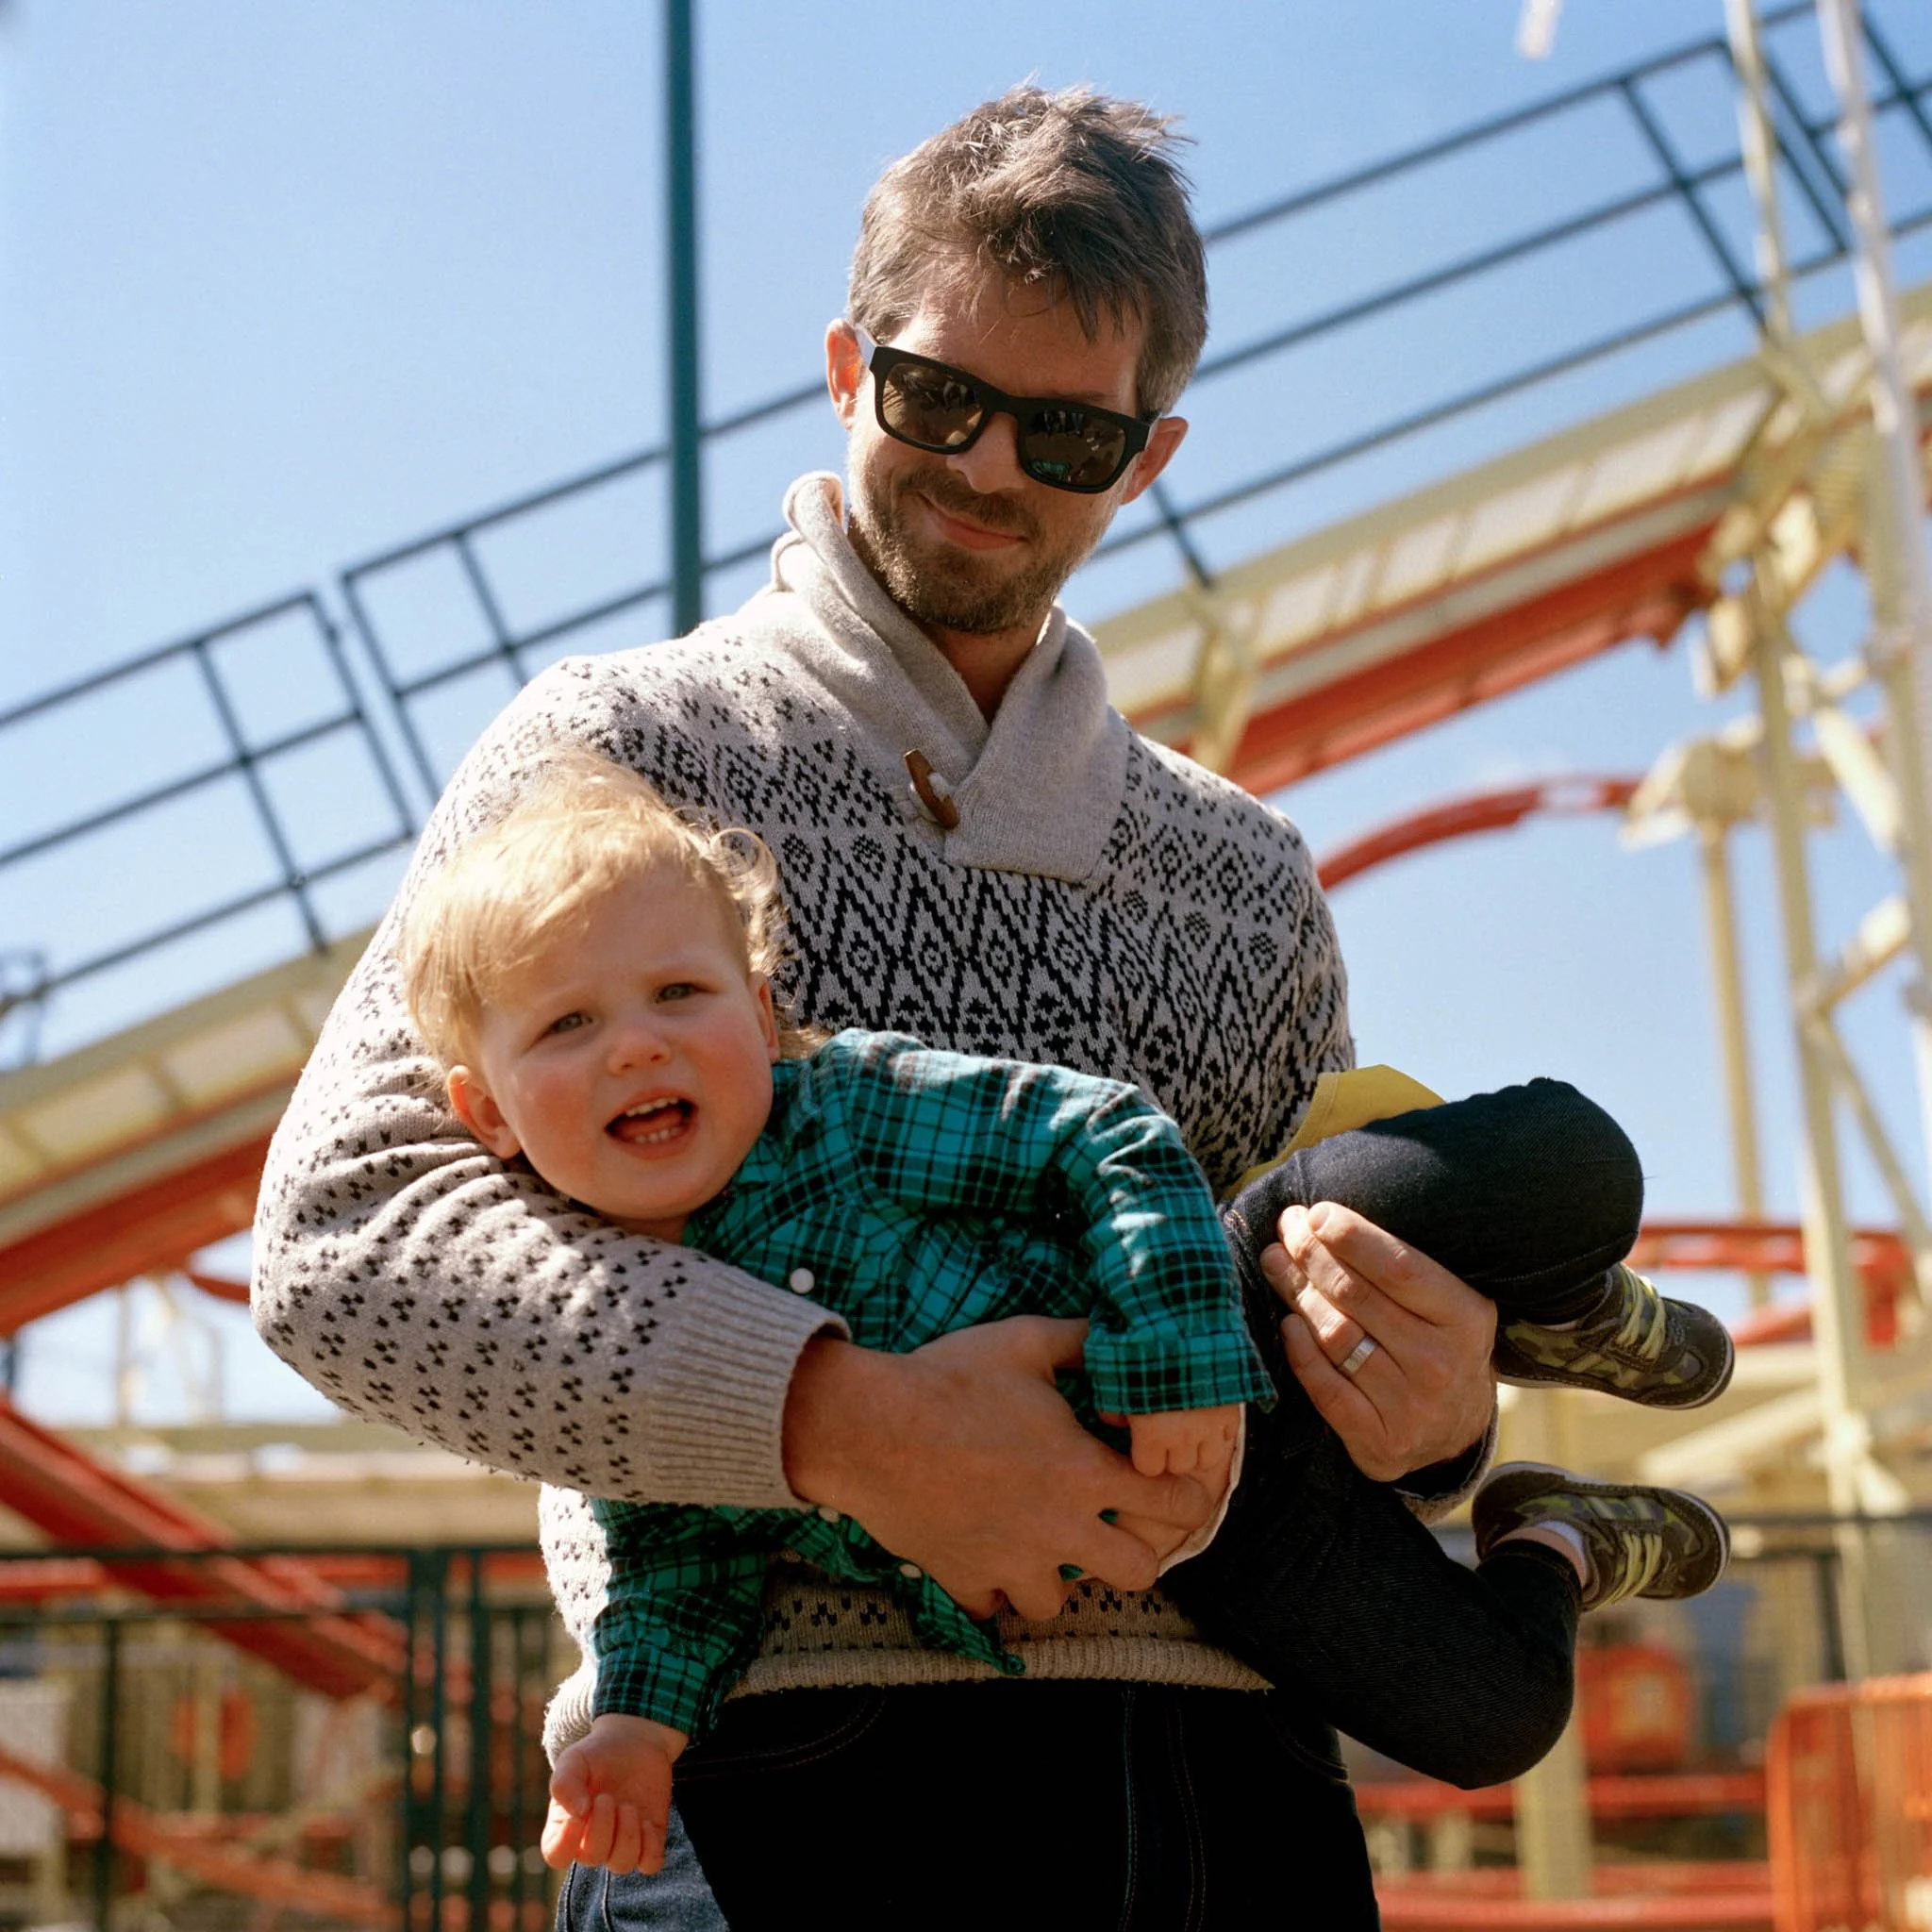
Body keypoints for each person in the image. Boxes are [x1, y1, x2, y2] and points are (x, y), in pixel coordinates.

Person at [252, 84, 1595, 1925]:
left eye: (1064, 432)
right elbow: (342, 1240)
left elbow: (1322, 1399)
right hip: (763, 1787)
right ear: (843, 363)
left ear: (1155, 451)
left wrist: (1434, 1423)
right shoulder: (611, 752)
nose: (985, 468)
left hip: (1230, 1800)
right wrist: (836, 1419)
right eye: (937, 396)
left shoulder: (1245, 872)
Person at [393, 753, 1732, 1903]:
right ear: (491, 1115)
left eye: (680, 997)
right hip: (1192, 1539)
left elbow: (1098, 1131)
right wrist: (634, 1725)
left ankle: (1551, 1302)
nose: (638, 1045)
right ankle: (1561, 1534)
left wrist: (1177, 1360)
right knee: (1495, 1715)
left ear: (757, 1008)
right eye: (571, 1025)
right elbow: (678, 1576)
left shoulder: (842, 1111)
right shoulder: (610, 1344)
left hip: (1212, 1297)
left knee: (1570, 1158)